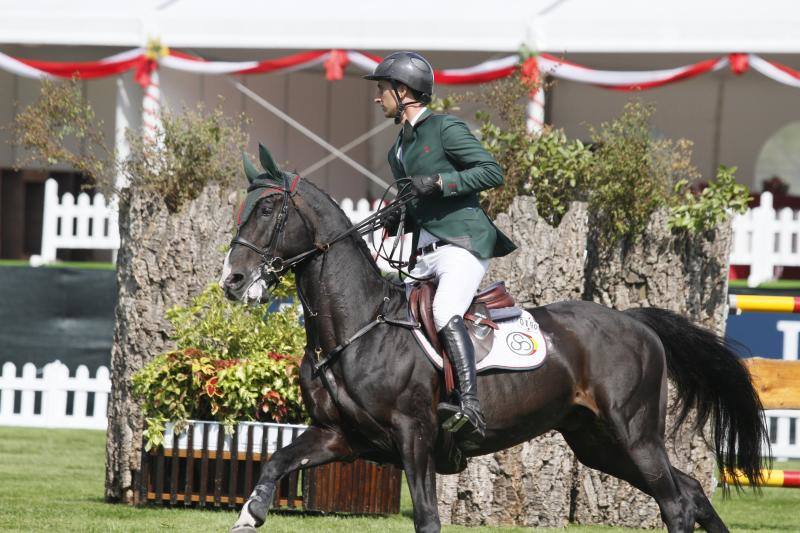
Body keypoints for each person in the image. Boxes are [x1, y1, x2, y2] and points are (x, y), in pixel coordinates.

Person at [364, 51, 517, 442]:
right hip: (426, 252)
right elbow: (415, 203)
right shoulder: (397, 149)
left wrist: (439, 183)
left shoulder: (446, 129)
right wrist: (397, 216)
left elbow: (491, 171)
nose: (377, 97)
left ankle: (469, 405)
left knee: (445, 308)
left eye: (383, 89)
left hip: (463, 244)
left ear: (403, 91)